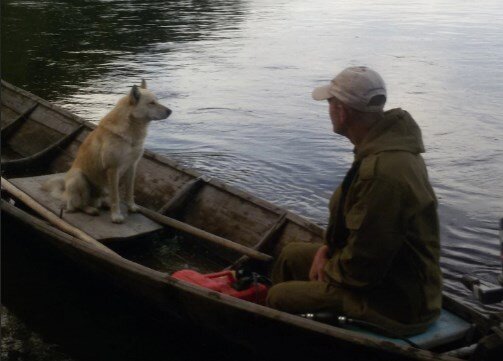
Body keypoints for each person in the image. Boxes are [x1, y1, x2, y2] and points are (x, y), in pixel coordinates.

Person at [266, 66, 442, 336]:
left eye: (330, 103)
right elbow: (363, 232)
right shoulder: (384, 148)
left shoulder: (382, 174)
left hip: (396, 305)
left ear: (342, 111)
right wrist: (327, 249)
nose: (328, 110)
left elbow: (363, 267)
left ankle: (279, 332)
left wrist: (330, 268)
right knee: (291, 255)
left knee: (278, 297)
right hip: (390, 280)